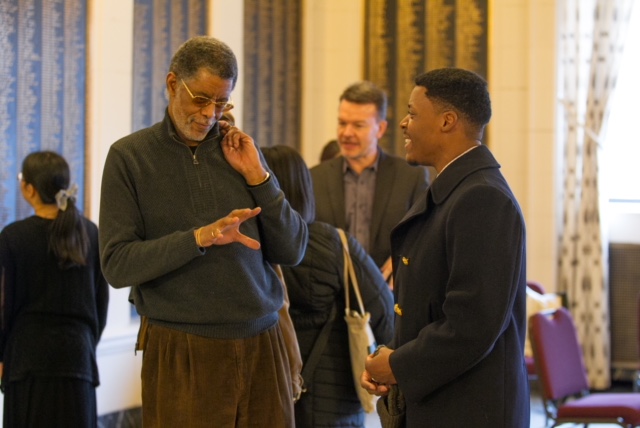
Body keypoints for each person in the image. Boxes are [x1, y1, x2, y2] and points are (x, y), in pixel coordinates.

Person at [99, 36, 308, 427]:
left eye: (222, 102)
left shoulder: (241, 151)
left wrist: (259, 176)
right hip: (181, 349)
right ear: (173, 83)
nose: (210, 114)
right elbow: (117, 264)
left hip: (264, 343)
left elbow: (293, 249)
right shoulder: (130, 158)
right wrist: (199, 238)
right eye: (201, 99)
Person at [362, 68, 529, 427]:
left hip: (470, 410)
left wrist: (395, 366)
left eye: (412, 113)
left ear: (447, 121)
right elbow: (425, 306)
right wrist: (391, 358)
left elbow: (471, 324)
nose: (404, 124)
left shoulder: (482, 197)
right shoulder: (456, 189)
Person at [261, 145, 394, 428]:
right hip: (335, 404)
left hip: (268, 395)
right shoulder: (334, 244)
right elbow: (384, 314)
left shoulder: (249, 249)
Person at [0, 151, 109, 427]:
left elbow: (3, 305)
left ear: (29, 189)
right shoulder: (91, 233)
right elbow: (100, 303)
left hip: (27, 361)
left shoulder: (13, 238)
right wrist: (85, 343)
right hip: (78, 357)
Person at [310, 81, 429, 285]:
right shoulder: (313, 178)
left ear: (380, 128)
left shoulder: (411, 177)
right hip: (328, 300)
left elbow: (425, 235)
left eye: (358, 125)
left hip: (389, 295)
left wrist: (402, 259)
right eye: (342, 123)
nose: (347, 133)